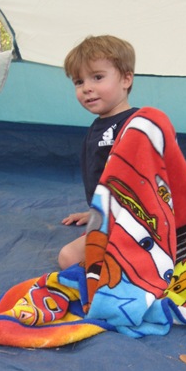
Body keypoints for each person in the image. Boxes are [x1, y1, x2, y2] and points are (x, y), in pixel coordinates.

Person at [58, 35, 138, 269]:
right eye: (79, 82)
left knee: (68, 258)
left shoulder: (137, 124)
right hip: (109, 215)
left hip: (134, 220)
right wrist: (95, 211)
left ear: (126, 79)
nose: (87, 88)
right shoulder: (97, 127)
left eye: (98, 77)